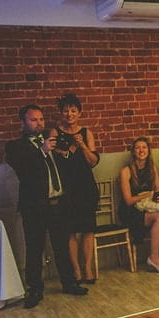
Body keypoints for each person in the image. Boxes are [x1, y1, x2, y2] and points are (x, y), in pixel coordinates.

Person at [5, 105, 87, 309]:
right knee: (35, 249)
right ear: (23, 122)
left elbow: (67, 168)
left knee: (62, 246)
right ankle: (35, 290)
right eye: (33, 120)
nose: (39, 123)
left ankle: (69, 283)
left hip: (58, 204)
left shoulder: (52, 140)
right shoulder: (16, 146)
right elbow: (24, 170)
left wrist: (65, 151)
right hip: (35, 207)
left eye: (41, 119)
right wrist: (42, 151)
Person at [118, 137, 159, 273]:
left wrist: (158, 196)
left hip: (149, 206)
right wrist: (148, 194)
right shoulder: (126, 171)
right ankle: (154, 257)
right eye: (138, 148)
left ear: (148, 150)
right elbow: (128, 200)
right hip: (131, 211)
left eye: (144, 147)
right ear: (133, 152)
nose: (141, 150)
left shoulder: (152, 168)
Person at [54, 93, 100, 284]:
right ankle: (76, 270)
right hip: (67, 189)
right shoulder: (55, 132)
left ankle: (88, 268)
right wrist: (72, 146)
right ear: (61, 113)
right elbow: (59, 160)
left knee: (88, 230)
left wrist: (83, 146)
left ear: (80, 113)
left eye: (73, 111)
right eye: (66, 111)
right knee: (70, 231)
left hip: (86, 188)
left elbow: (93, 162)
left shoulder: (87, 133)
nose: (70, 114)